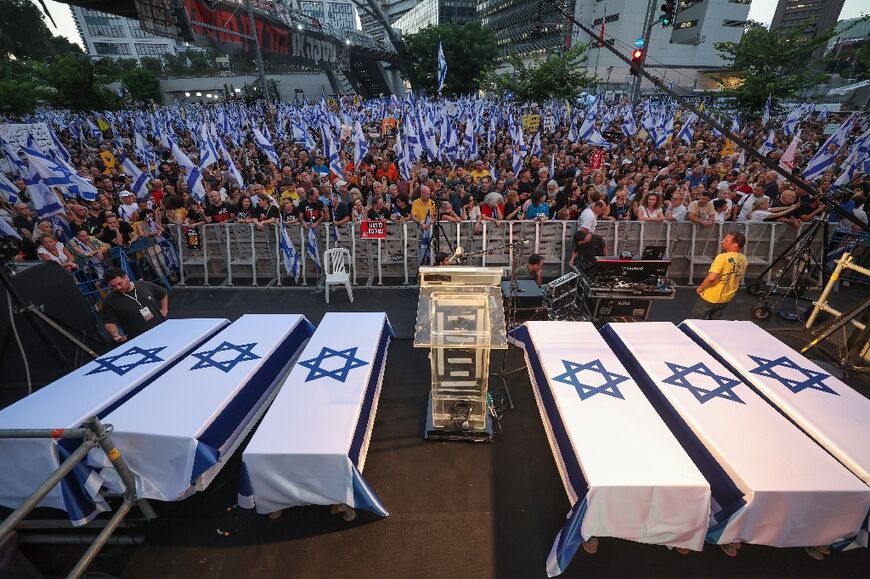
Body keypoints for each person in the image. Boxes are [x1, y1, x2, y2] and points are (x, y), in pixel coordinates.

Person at [100, 268, 168, 342]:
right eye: (113, 286)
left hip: (162, 329)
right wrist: (115, 335)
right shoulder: (109, 300)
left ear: (126, 277)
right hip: (139, 339)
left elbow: (162, 293)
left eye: (120, 283)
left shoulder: (143, 285)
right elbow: (109, 321)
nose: (118, 288)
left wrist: (164, 310)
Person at [691, 232, 748, 320]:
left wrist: (701, 288)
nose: (722, 242)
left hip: (711, 296)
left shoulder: (722, 258)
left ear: (735, 245)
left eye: (726, 240)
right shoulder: (744, 259)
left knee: (696, 320)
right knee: (715, 322)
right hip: (726, 298)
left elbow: (711, 278)